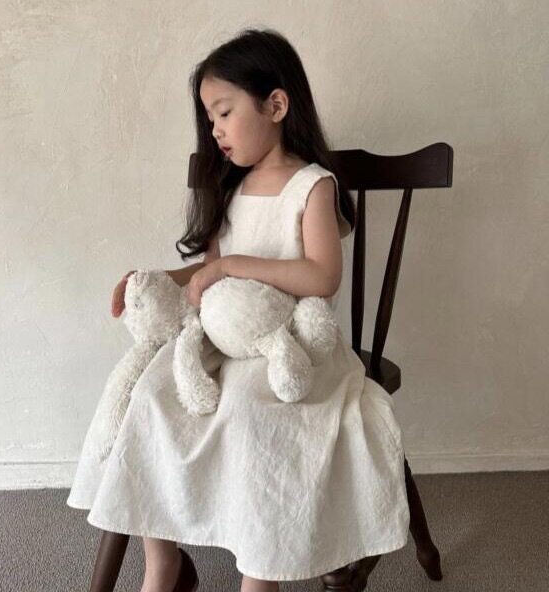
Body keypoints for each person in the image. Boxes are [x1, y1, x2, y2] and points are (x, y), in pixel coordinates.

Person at [67, 27, 410, 592]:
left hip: (291, 348)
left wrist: (232, 266)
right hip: (224, 341)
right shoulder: (232, 187)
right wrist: (153, 281)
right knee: (152, 394)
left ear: (275, 105)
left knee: (252, 413)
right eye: (209, 119)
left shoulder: (312, 186)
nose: (215, 130)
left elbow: (322, 275)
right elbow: (208, 272)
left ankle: (259, 575)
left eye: (224, 112)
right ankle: (164, 563)